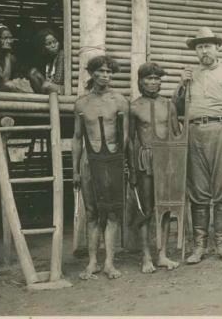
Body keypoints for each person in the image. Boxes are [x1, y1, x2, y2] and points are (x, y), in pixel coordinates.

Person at [173, 27, 222, 264]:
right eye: (199, 46)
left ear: (217, 48)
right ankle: (199, 246)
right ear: (196, 51)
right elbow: (176, 109)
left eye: (208, 46)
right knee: (199, 191)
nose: (204, 50)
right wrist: (181, 85)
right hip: (195, 133)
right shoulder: (190, 75)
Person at [72, 55, 129, 280]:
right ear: (92, 73)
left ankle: (109, 263)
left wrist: (122, 163)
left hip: (112, 160)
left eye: (110, 72)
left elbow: (126, 137)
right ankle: (93, 262)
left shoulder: (119, 101)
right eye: (102, 71)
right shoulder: (82, 103)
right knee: (92, 212)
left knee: (113, 212)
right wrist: (75, 170)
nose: (106, 76)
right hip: (89, 161)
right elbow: (77, 138)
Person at [128, 62, 181, 273]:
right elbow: (130, 140)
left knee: (165, 207)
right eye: (149, 78)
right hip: (145, 160)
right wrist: (132, 168)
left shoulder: (169, 105)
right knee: (146, 209)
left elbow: (176, 135)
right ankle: (146, 257)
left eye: (157, 78)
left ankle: (162, 255)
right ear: (141, 81)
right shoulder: (134, 106)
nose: (153, 82)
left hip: (166, 160)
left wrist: (176, 163)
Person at [0, 24, 33, 92]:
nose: (9, 41)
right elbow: (4, 78)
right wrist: (7, 55)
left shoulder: (12, 58)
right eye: (5, 38)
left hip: (6, 88)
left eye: (10, 38)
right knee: (9, 85)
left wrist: (8, 55)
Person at [28, 28, 64, 94]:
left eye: (55, 42)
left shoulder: (61, 55)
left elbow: (58, 81)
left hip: (61, 89)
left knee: (46, 85)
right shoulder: (48, 59)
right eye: (49, 44)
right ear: (43, 47)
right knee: (33, 72)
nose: (53, 46)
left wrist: (44, 82)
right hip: (50, 87)